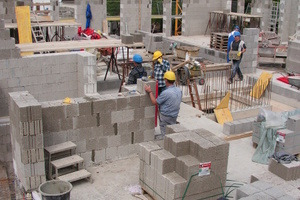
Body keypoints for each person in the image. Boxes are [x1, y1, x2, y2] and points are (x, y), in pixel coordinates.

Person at [144, 71, 182, 139]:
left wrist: (149, 91)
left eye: (164, 79)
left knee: (164, 131)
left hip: (166, 116)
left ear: (166, 80)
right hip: (174, 115)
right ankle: (172, 137)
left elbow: (154, 102)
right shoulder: (179, 90)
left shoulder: (166, 93)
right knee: (171, 128)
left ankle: (164, 138)